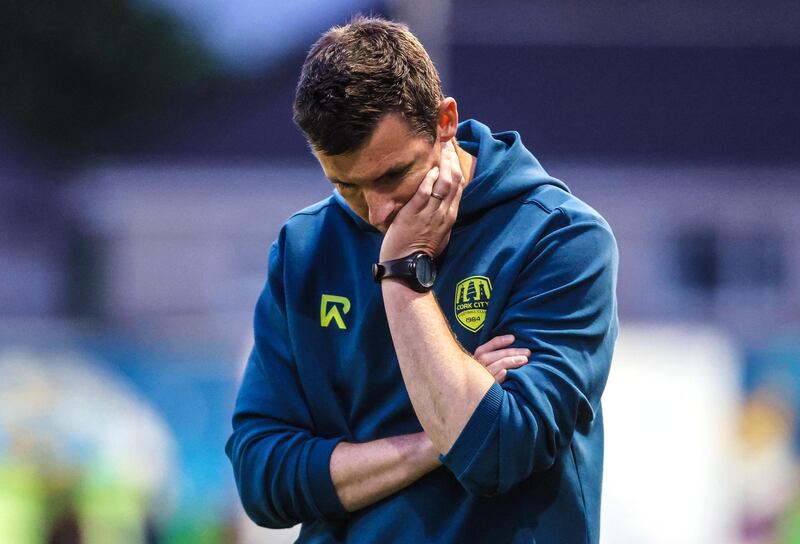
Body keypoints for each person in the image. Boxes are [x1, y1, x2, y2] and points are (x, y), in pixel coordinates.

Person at [226, 16, 618, 543]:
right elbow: (262, 479)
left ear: (445, 122)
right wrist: (436, 439)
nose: (378, 211)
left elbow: (497, 454)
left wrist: (405, 273)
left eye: (393, 175)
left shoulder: (561, 238)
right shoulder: (305, 248)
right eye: (346, 186)